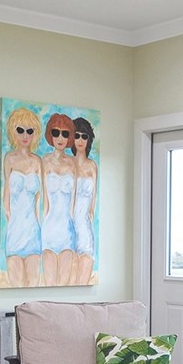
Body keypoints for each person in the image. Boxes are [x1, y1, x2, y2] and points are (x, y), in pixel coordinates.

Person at [1, 108, 45, 287]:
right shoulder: (9, 159)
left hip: (33, 228)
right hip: (15, 227)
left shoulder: (37, 161)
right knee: (16, 282)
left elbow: (40, 198)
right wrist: (10, 218)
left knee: (33, 282)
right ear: (13, 131)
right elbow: (6, 193)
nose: (25, 135)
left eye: (30, 131)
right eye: (20, 130)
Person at [40, 112, 78, 286]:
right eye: (56, 133)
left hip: (67, 229)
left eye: (65, 133)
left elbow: (74, 200)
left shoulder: (73, 163)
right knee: (48, 283)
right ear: (50, 135)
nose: (60, 138)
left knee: (64, 284)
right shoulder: (45, 161)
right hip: (49, 227)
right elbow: (43, 199)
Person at [69, 117, 98, 284]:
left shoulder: (92, 166)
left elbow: (93, 202)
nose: (80, 140)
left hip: (85, 224)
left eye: (84, 136)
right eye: (77, 135)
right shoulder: (67, 163)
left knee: (84, 274)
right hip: (67, 225)